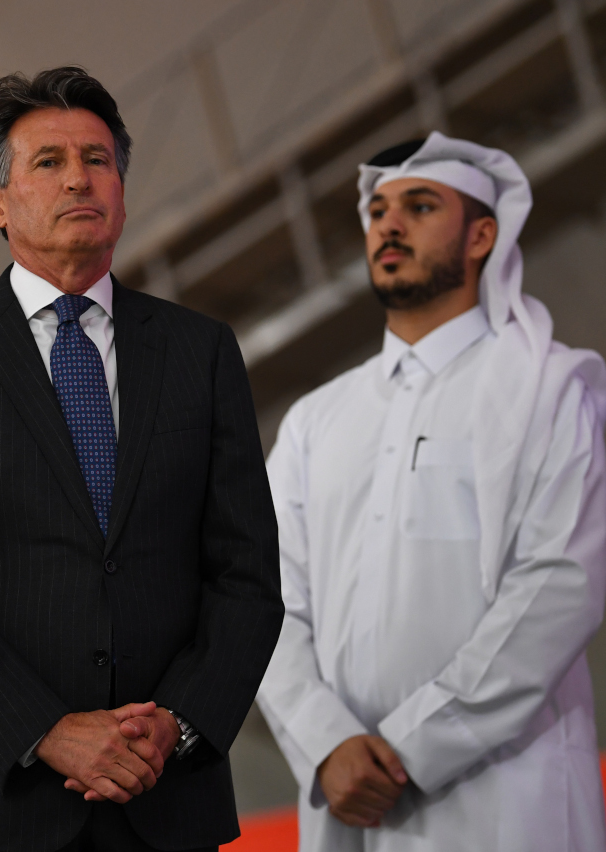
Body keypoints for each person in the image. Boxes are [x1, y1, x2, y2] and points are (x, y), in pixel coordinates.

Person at [0, 66, 283, 852]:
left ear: (121, 189)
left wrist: (177, 723)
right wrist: (45, 730)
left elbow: (246, 573)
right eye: (48, 162)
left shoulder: (200, 352)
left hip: (165, 798)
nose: (79, 178)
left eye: (97, 159)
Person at [256, 131, 606, 851]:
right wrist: (327, 742)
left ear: (482, 236)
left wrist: (414, 747)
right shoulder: (316, 421)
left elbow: (559, 585)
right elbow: (260, 596)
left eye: (420, 206)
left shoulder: (548, 389)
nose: (389, 225)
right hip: (348, 804)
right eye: (378, 210)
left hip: (507, 798)